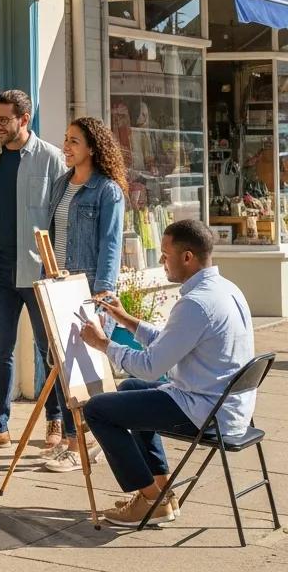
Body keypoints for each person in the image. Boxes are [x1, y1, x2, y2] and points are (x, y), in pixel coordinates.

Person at [80, 220, 255, 527]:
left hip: (208, 412)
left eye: (164, 254)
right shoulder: (226, 289)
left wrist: (103, 344)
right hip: (226, 406)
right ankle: (161, 491)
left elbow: (151, 366)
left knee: (97, 410)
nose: (161, 261)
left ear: (187, 257)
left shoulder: (196, 304)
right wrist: (126, 320)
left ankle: (149, 499)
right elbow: (173, 342)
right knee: (130, 389)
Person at [0, 89, 67, 452]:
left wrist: (60, 269)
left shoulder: (52, 159)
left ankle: (56, 421)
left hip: (39, 273)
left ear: (25, 119)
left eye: (4, 119)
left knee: (49, 350)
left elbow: (61, 219)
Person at [40, 116, 127, 473]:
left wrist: (103, 291)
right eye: (65, 139)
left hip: (87, 288)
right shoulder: (61, 184)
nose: (67, 146)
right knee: (61, 364)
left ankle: (81, 442)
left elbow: (111, 243)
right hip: (56, 285)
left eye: (74, 141)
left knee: (83, 368)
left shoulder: (108, 190)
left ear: (92, 147)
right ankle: (78, 439)